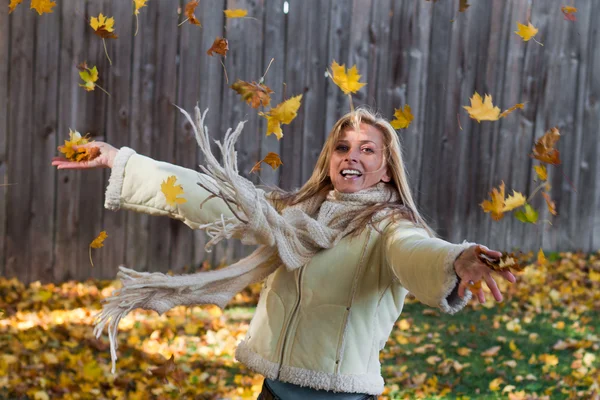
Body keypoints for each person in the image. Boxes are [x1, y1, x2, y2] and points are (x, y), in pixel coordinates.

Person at [52, 106, 516, 400]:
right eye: (342, 147)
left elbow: (416, 252)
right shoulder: (292, 214)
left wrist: (455, 261)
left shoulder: (388, 226)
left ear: (387, 171)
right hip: (274, 390)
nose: (351, 155)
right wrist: (120, 160)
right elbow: (214, 195)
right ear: (330, 160)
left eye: (367, 149)